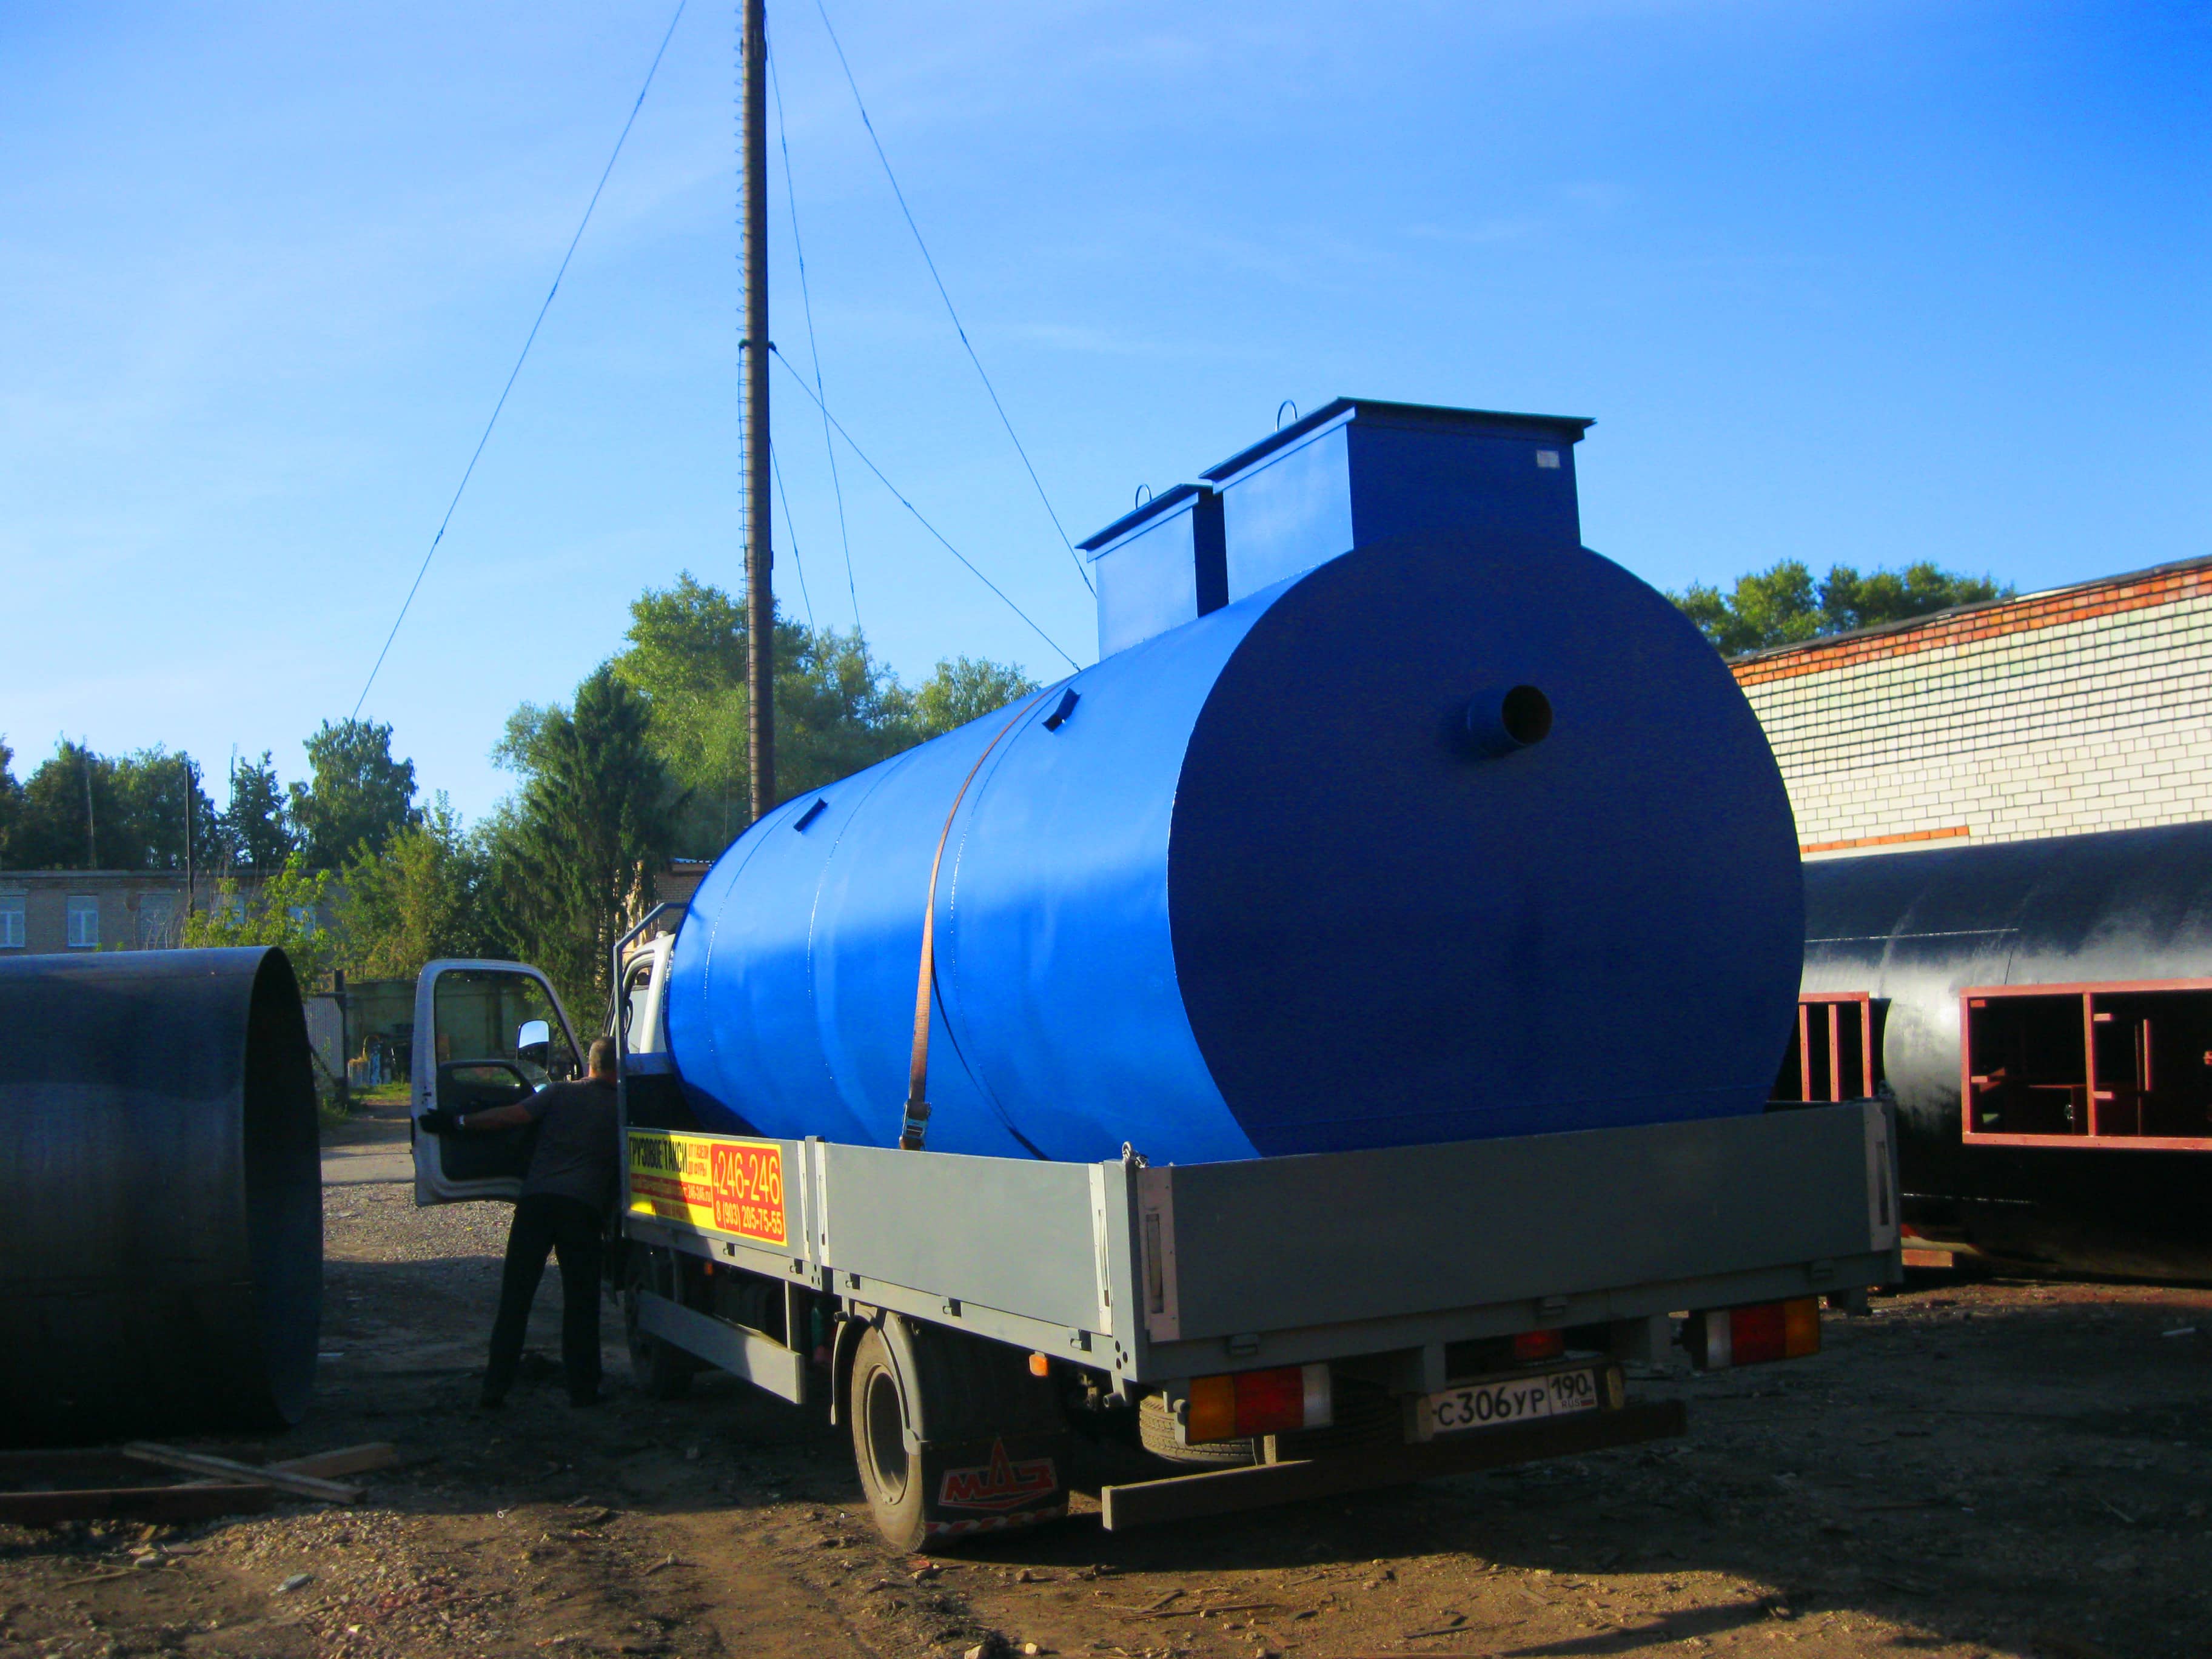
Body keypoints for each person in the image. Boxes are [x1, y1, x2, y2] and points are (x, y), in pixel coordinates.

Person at [426, 1034, 621, 1408]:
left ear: (590, 1065)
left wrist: (456, 1122)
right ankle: (583, 1391)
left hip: (536, 1206)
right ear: (619, 1068)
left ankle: (495, 1388)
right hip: (582, 1211)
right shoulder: (621, 1106)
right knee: (581, 1303)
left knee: (516, 1299)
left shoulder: (559, 1093)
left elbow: (509, 1117)